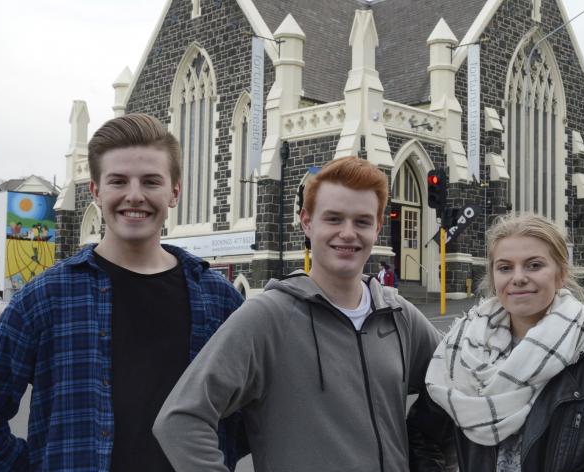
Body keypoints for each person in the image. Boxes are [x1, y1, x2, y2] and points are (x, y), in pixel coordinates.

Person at [0, 114, 245, 471]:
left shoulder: (219, 300)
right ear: (96, 191)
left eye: (150, 181)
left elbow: (253, 421)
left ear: (174, 192)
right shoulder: (45, 298)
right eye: (118, 181)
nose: (134, 195)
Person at [153, 156, 452, 471]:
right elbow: (181, 418)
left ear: (378, 228)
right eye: (333, 219)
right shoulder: (268, 317)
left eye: (362, 221)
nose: (348, 233)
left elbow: (458, 380)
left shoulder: (398, 315)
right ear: (307, 222)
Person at [425, 213, 584, 471]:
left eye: (534, 265)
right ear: (494, 278)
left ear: (561, 274)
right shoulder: (460, 351)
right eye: (505, 267)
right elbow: (423, 437)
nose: (518, 277)